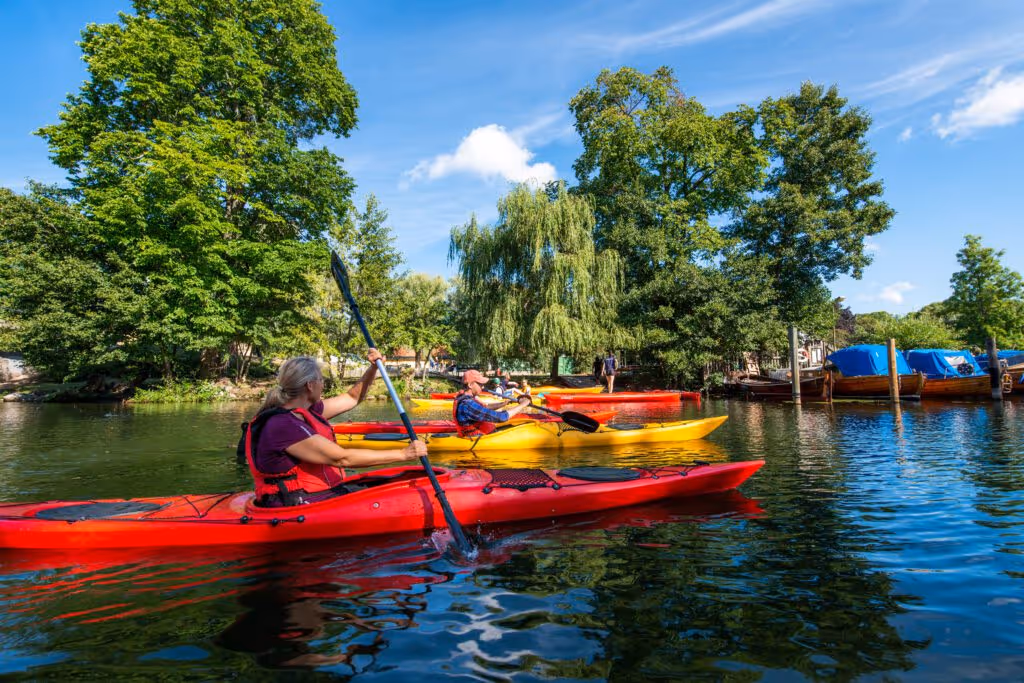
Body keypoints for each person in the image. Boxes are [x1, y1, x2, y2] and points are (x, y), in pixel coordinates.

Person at [240, 350, 427, 507]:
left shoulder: (307, 411)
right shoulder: (282, 424)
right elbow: (341, 458)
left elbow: (352, 398)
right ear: (310, 385)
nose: (323, 384)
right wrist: (403, 454)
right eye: (321, 380)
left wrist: (373, 368)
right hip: (292, 502)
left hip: (314, 494)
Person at [453, 369, 533, 436]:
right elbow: (502, 417)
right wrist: (523, 404)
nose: (483, 387)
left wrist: (504, 403)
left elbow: (485, 408)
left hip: (481, 435)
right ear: (470, 385)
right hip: (477, 440)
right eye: (481, 384)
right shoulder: (467, 405)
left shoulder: (465, 398)